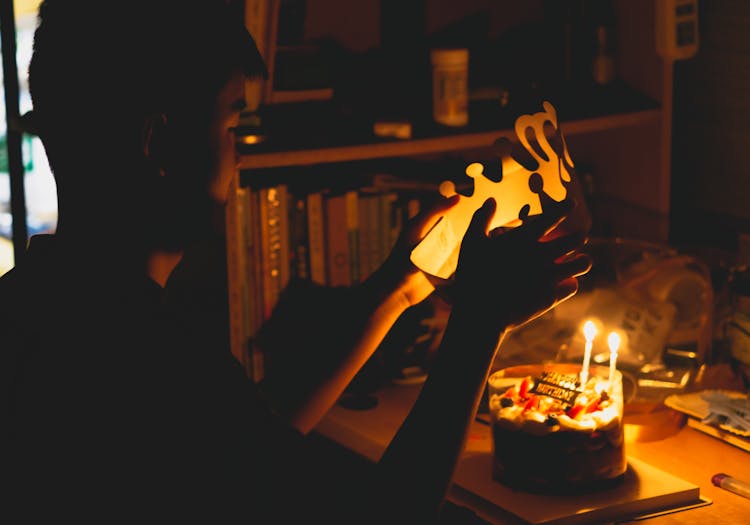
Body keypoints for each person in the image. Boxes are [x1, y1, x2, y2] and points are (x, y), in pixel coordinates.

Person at [0, 0, 591, 523]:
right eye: (232, 124)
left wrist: (400, 286)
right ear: (158, 144)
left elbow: (259, 438)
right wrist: (480, 323)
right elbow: (388, 513)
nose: (239, 157)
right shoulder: (143, 356)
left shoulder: (37, 305)